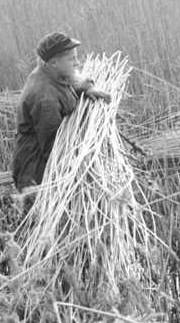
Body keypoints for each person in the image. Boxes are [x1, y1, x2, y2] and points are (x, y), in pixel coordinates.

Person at [11, 32, 111, 203]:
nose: (77, 63)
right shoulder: (44, 98)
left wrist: (87, 89)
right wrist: (83, 159)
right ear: (54, 62)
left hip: (46, 156)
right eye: (72, 59)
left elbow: (69, 82)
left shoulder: (48, 72)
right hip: (37, 173)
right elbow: (54, 149)